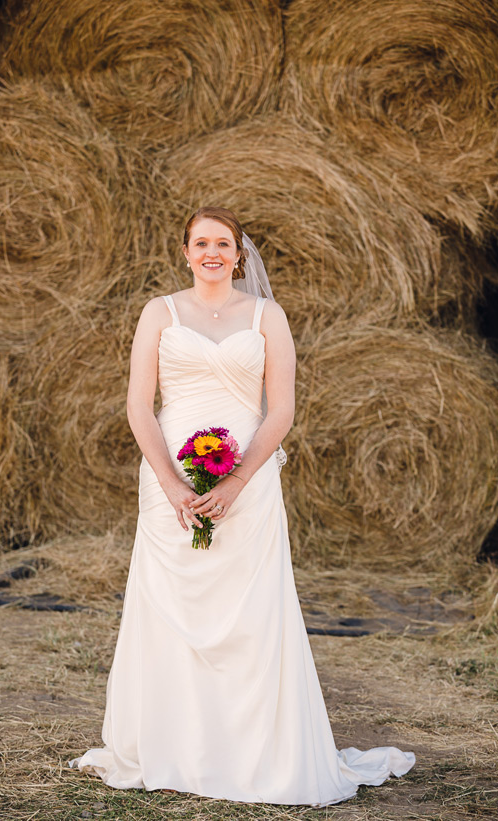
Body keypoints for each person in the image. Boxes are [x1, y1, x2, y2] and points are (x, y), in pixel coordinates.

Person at [68, 206, 414, 805]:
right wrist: (175, 485)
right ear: (185, 251)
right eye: (201, 242)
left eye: (223, 243)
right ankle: (171, 746)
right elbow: (138, 407)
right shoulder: (159, 312)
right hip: (168, 476)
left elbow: (280, 409)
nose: (212, 252)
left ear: (238, 254)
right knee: (171, 602)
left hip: (248, 479)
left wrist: (236, 482)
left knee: (249, 609)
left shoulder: (266, 316)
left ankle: (250, 751)